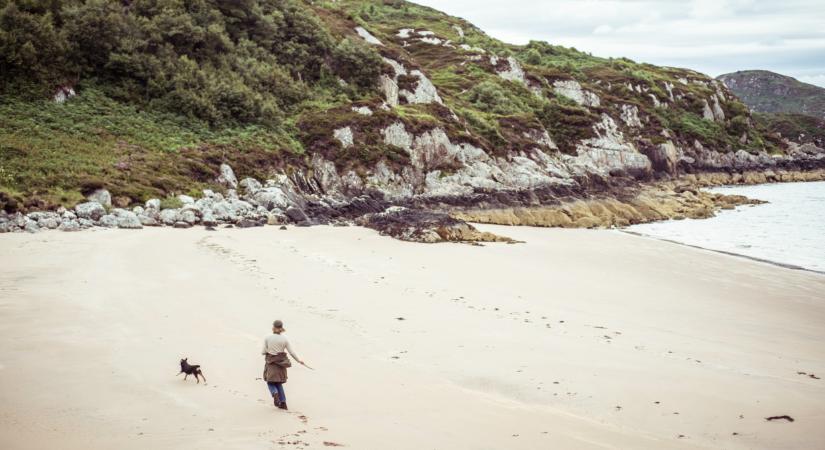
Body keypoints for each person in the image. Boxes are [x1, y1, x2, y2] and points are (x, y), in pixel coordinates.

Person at [262, 320, 305, 410]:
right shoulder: (285, 339)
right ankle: (283, 403)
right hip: (281, 363)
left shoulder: (267, 337)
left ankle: (274, 393)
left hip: (271, 363)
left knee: (270, 382)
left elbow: (263, 352)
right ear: (281, 328)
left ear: (273, 327)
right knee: (278, 383)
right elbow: (291, 352)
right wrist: (299, 360)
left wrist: (270, 351)